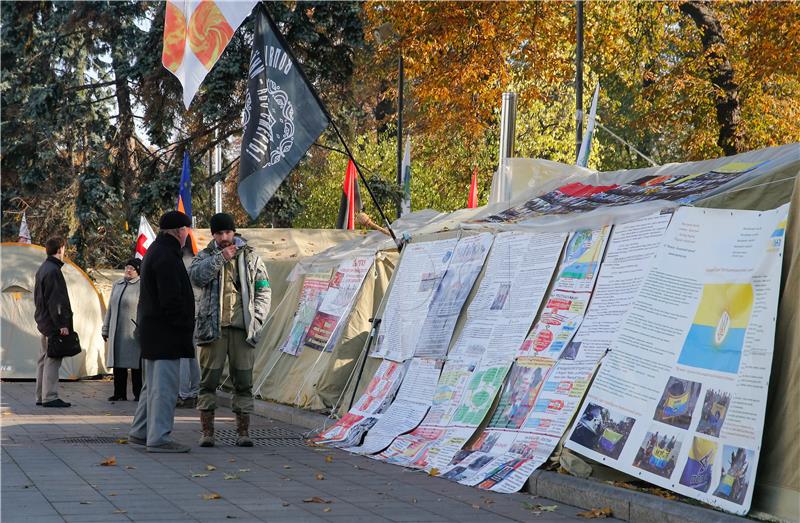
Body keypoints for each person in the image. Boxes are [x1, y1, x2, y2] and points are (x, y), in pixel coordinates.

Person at [190, 212, 271, 447]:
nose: (225, 237)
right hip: (212, 330)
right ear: (213, 235)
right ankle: (207, 433)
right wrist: (221, 258)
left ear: (234, 232)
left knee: (243, 381)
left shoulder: (251, 257)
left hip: (241, 330)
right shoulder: (205, 255)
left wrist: (256, 320)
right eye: (220, 233)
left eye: (228, 232)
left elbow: (264, 290)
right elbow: (196, 277)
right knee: (208, 382)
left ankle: (243, 432)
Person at [128, 211, 195, 453]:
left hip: (153, 332)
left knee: (152, 387)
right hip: (166, 333)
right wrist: (184, 324)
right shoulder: (167, 256)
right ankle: (159, 438)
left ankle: (140, 431)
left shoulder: (156, 251)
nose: (188, 234)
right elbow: (171, 299)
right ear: (179, 231)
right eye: (187, 230)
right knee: (164, 388)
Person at [33, 237, 73, 408]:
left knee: (43, 359)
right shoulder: (53, 271)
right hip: (53, 323)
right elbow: (56, 301)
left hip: (44, 322)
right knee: (52, 358)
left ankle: (40, 396)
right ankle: (50, 396)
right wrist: (62, 324)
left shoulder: (43, 268)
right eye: (64, 248)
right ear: (60, 249)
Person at [102, 258, 143, 401]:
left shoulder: (141, 286)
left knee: (136, 365)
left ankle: (139, 394)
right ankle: (119, 393)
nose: (128, 270)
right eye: (127, 267)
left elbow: (143, 309)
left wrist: (142, 328)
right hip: (116, 331)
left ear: (138, 271)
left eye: (132, 268)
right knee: (118, 364)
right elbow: (110, 309)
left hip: (132, 332)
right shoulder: (117, 285)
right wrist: (105, 328)